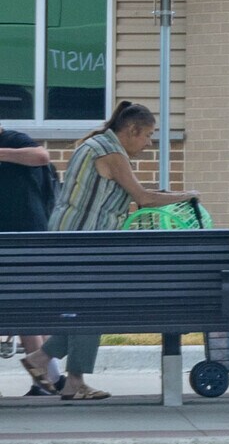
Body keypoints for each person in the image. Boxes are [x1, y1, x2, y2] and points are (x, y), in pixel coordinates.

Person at [44, 102, 198, 401]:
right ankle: (72, 380)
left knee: (87, 308)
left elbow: (136, 195)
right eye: (148, 135)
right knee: (93, 308)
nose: (149, 143)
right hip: (83, 242)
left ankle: (46, 362)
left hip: (70, 239)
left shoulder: (97, 145)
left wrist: (172, 195)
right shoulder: (111, 153)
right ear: (132, 130)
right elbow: (143, 198)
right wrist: (188, 196)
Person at [0, 122, 58, 394]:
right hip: (11, 238)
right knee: (28, 306)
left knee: (23, 306)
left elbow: (41, 156)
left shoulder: (14, 139)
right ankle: (52, 378)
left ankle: (43, 381)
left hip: (25, 237)